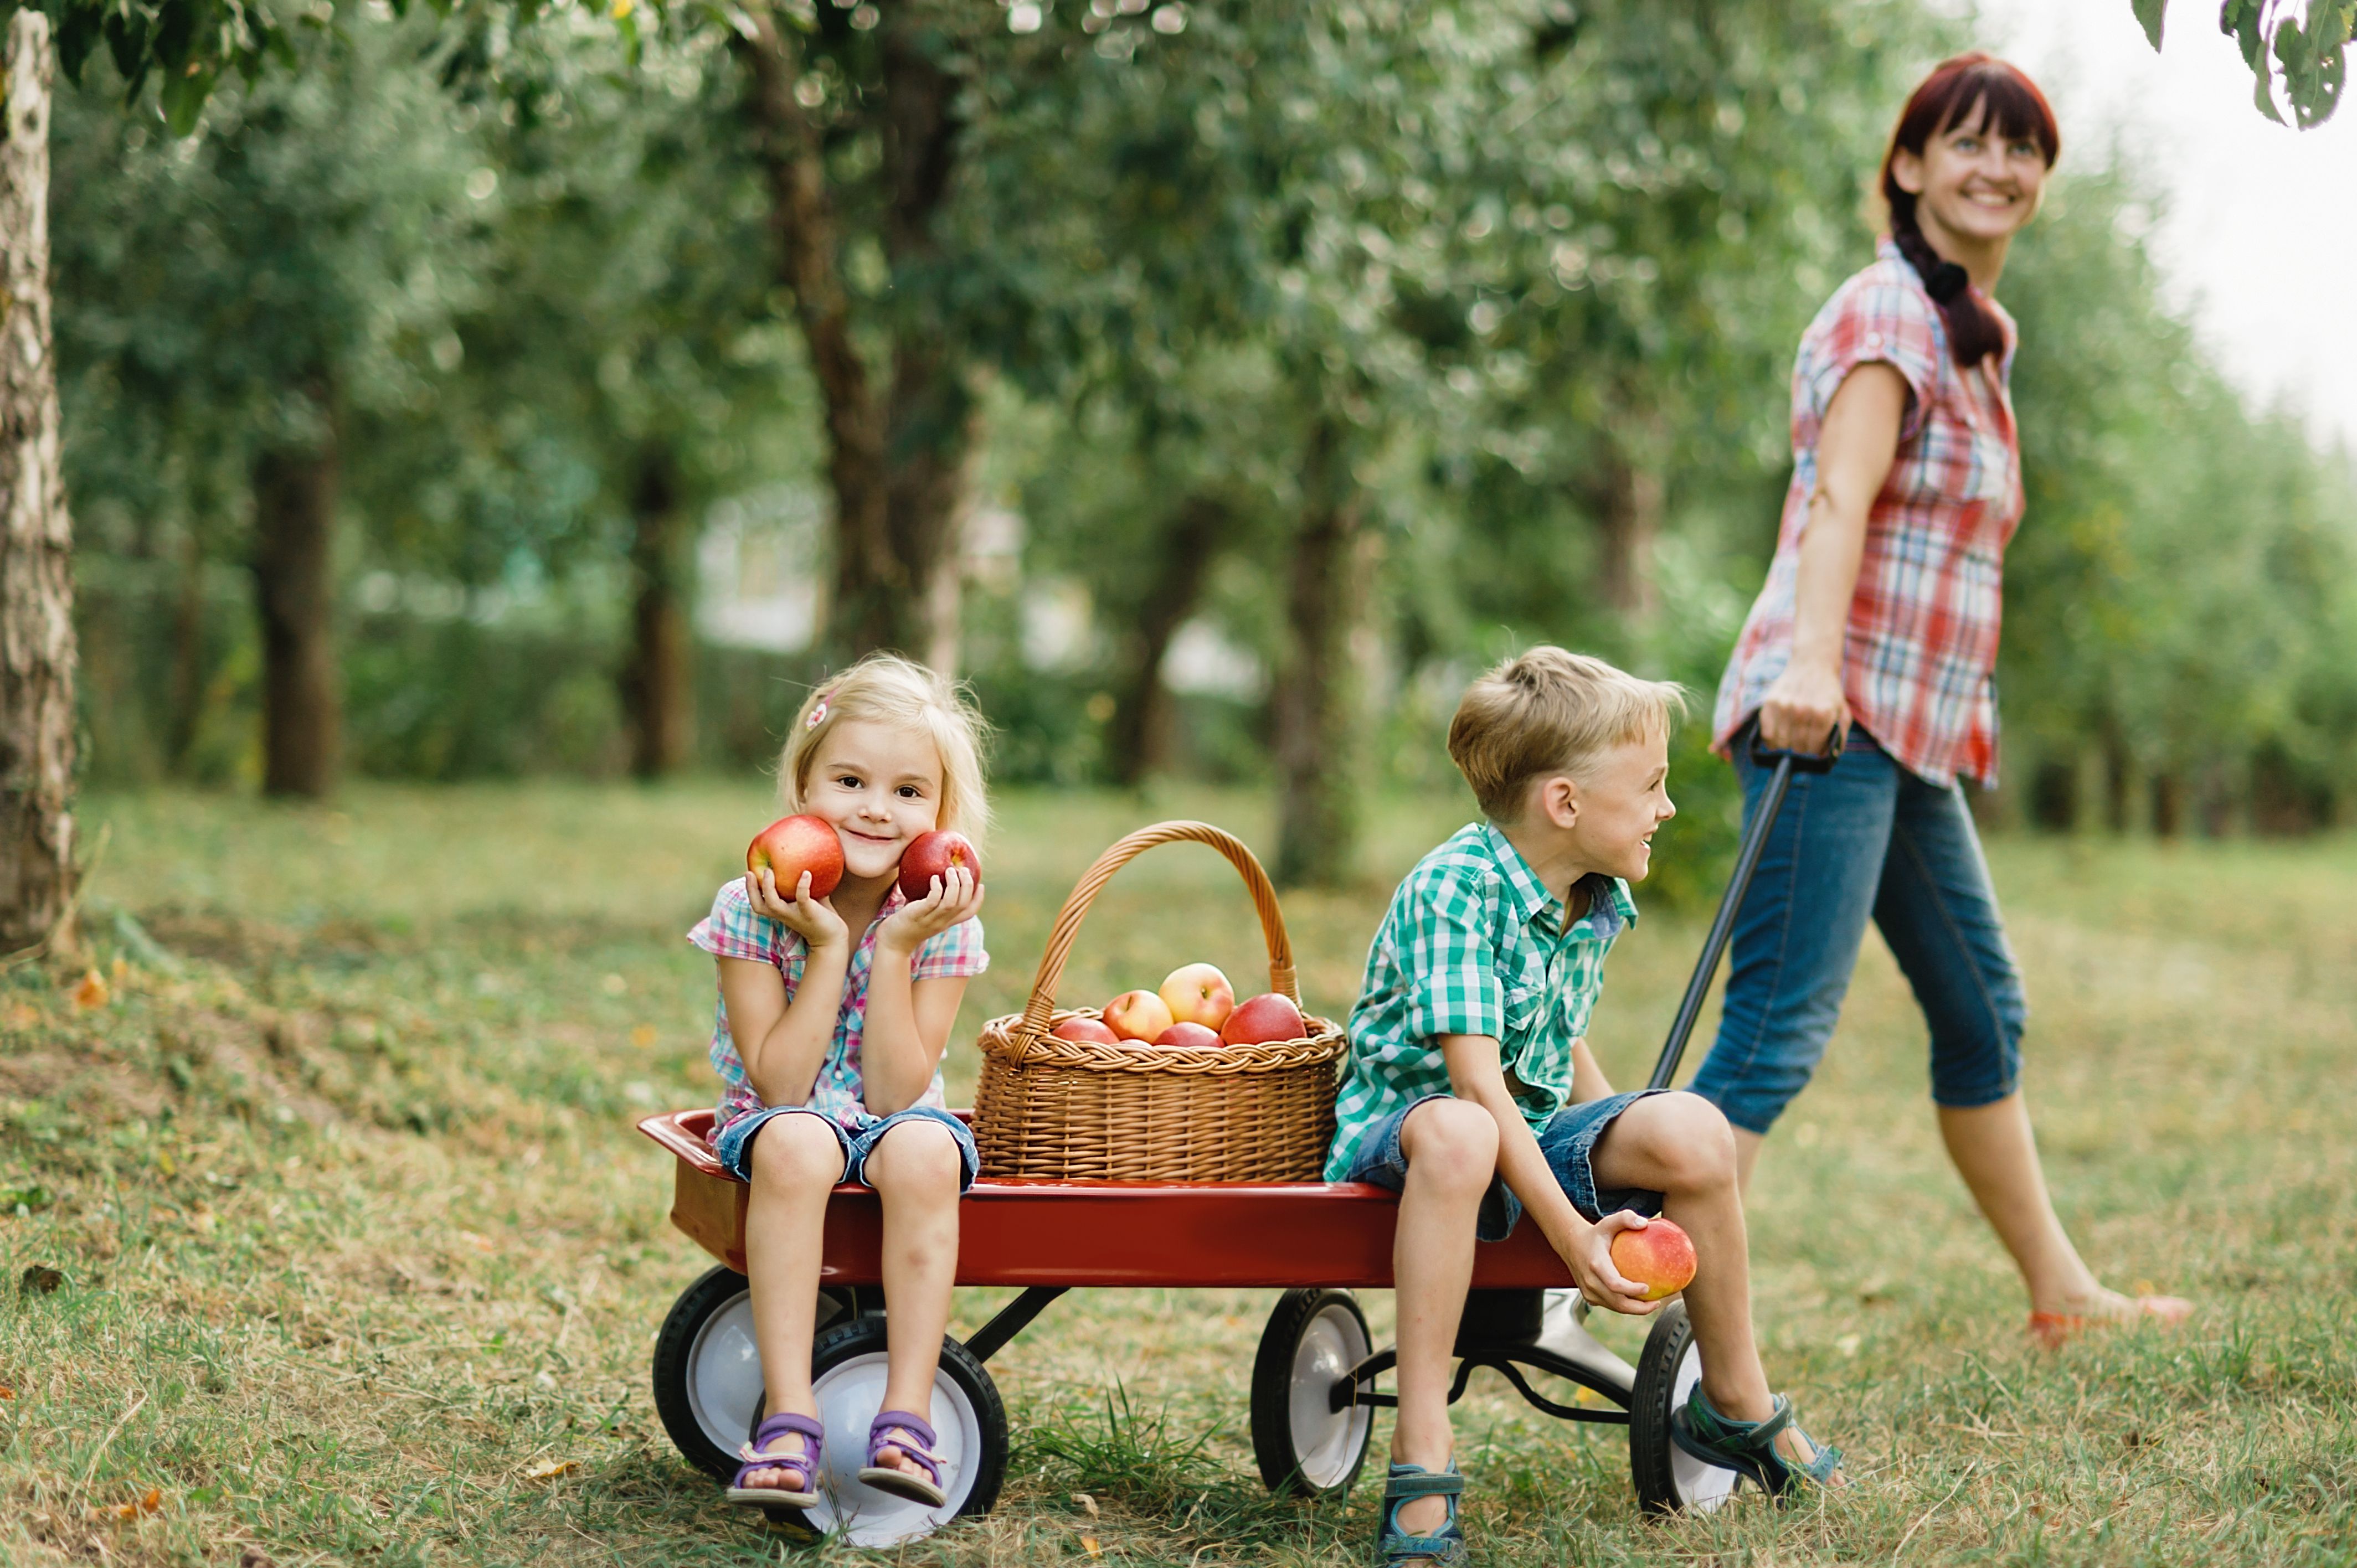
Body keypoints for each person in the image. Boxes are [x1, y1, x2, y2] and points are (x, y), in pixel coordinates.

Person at [1694, 54, 2188, 1348]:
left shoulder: (1973, 335)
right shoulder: (1886, 314)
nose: (1998, 168)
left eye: (2022, 150)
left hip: (1905, 735)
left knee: (1981, 1008)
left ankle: (2063, 1296)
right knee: (1774, 1032)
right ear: (1907, 167)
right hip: (1828, 717)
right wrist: (1810, 669)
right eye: (1967, 143)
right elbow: (1839, 499)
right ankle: (1622, 1294)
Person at [1329, 647, 1843, 1567]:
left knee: (1691, 1125)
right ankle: (1421, 1450)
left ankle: (1737, 1401)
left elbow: (1556, 1045)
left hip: (1514, 1131)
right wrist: (1574, 1237)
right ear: (1565, 805)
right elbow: (1477, 1083)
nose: (1667, 807)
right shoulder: (1455, 888)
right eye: (1650, 786)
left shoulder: (1588, 898)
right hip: (1411, 1136)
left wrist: (1624, 1148)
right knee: (1463, 1130)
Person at [687, 654, 990, 1510]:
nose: (875, 808)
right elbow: (781, 1082)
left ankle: (907, 1415)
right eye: (850, 780)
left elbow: (898, 1095)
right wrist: (828, 948)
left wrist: (891, 947)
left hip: (893, 1119)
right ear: (803, 785)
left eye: (907, 792)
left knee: (928, 1150)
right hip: (779, 1116)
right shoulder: (754, 903)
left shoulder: (939, 919)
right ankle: (787, 1416)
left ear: (941, 813)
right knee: (797, 1138)